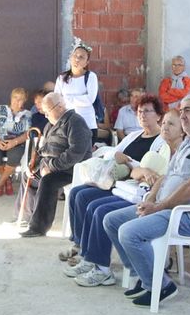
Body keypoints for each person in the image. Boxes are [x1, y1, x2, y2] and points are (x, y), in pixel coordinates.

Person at [100, 93, 190, 307]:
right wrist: (151, 197)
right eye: (181, 111)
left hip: (189, 216)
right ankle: (146, 276)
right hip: (166, 207)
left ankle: (161, 285)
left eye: (188, 110)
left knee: (129, 232)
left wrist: (159, 207)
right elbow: (167, 176)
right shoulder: (188, 142)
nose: (183, 116)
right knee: (111, 220)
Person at [63, 101, 175, 288]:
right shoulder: (134, 135)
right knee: (78, 193)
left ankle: (101, 268)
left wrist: (131, 164)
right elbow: (114, 154)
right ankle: (85, 252)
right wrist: (127, 163)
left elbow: (151, 173)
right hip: (120, 183)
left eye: (147, 111)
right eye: (139, 111)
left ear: (158, 115)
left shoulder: (162, 144)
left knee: (97, 209)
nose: (142, 115)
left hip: (135, 190)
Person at [18, 92, 93, 238]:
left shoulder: (76, 122)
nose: (45, 116)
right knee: (28, 176)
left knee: (48, 182)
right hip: (51, 165)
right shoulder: (50, 125)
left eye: (47, 112)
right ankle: (28, 217)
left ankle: (39, 227)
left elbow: (75, 153)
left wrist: (51, 167)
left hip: (71, 169)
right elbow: (42, 149)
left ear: (59, 107)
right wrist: (34, 165)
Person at [0, 87, 33, 197]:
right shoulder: (0, 109)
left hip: (16, 143)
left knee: (15, 156)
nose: (17, 101)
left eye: (21, 99)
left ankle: (0, 183)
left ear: (24, 101)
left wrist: (14, 142)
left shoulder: (27, 114)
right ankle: (8, 180)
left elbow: (27, 134)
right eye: (15, 97)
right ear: (11, 98)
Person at [56, 45, 99, 132]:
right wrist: (80, 98)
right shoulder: (61, 78)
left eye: (81, 57)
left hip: (87, 123)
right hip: (66, 124)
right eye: (75, 55)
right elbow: (57, 100)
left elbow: (90, 99)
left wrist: (67, 99)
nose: (77, 59)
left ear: (86, 62)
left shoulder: (91, 77)